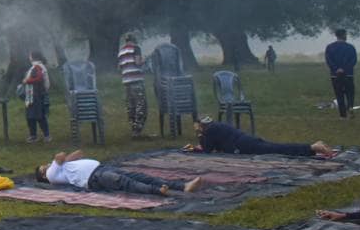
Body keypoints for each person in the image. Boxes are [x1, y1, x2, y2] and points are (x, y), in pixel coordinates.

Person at [36, 150, 203, 196]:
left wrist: (64, 161)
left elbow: (79, 153)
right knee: (126, 183)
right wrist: (57, 162)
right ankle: (158, 191)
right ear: (43, 175)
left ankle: (182, 186)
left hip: (101, 169)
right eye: (43, 168)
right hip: (94, 178)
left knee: (141, 177)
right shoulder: (51, 175)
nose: (46, 165)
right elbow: (60, 155)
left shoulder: (62, 167)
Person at [187, 118, 337, 157]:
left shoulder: (209, 131)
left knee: (278, 150)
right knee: (276, 147)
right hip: (247, 141)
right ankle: (311, 147)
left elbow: (207, 150)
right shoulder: (216, 126)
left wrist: (200, 135)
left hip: (243, 146)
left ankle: (312, 147)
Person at [117, 34, 149, 138]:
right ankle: (137, 131)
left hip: (127, 82)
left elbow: (119, 68)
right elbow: (138, 62)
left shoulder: (121, 51)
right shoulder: (136, 48)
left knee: (131, 106)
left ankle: (133, 128)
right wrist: (145, 59)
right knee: (141, 106)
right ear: (134, 40)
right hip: (136, 81)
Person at [325, 29, 357, 118]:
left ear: (336, 36)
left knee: (339, 95)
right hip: (348, 74)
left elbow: (328, 60)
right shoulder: (350, 47)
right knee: (350, 93)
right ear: (344, 35)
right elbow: (353, 60)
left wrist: (336, 69)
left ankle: (342, 115)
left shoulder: (330, 47)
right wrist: (345, 69)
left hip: (335, 75)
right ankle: (350, 107)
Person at [22, 50, 51, 143]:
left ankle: (44, 135)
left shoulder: (37, 67)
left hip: (35, 95)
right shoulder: (38, 66)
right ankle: (35, 135)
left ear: (33, 57)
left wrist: (27, 81)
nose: (29, 57)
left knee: (38, 116)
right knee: (32, 116)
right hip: (33, 95)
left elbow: (39, 78)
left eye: (30, 55)